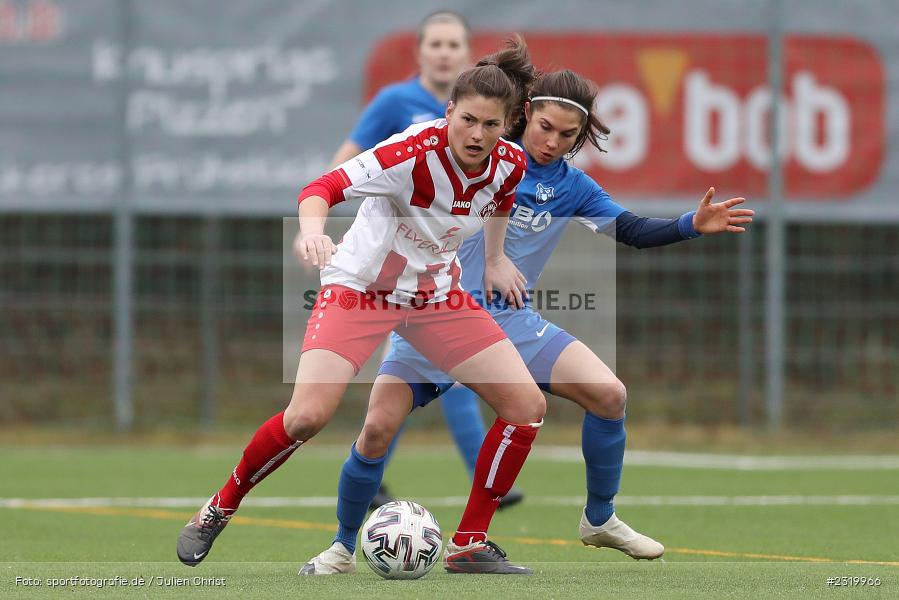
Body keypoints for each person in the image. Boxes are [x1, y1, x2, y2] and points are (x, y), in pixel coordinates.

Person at [299, 68, 754, 575]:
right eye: (544, 127)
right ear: (525, 115)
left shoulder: (572, 187)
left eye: (567, 135)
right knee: (377, 429)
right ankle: (340, 547)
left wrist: (690, 225)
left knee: (609, 396)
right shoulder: (483, 155)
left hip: (511, 322)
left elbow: (631, 230)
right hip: (435, 313)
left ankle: (591, 520)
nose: (552, 142)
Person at [177, 38, 542, 574]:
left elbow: (501, 202)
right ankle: (219, 506)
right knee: (306, 417)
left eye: (491, 125)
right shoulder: (412, 153)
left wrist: (492, 260)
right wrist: (310, 234)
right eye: (468, 120)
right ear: (448, 112)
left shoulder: (509, 163)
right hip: (359, 292)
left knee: (526, 406)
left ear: (508, 124)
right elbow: (321, 186)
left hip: (436, 299)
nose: (478, 134)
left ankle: (467, 543)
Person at [319, 10, 523, 510]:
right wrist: (318, 228)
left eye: (454, 44)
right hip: (387, 263)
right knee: (414, 376)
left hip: (450, 255)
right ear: (420, 52)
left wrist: (495, 257)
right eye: (435, 43)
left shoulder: (490, 111)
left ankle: (381, 473)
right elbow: (343, 166)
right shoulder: (397, 103)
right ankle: (384, 472)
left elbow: (503, 191)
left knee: (424, 374)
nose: (444, 52)